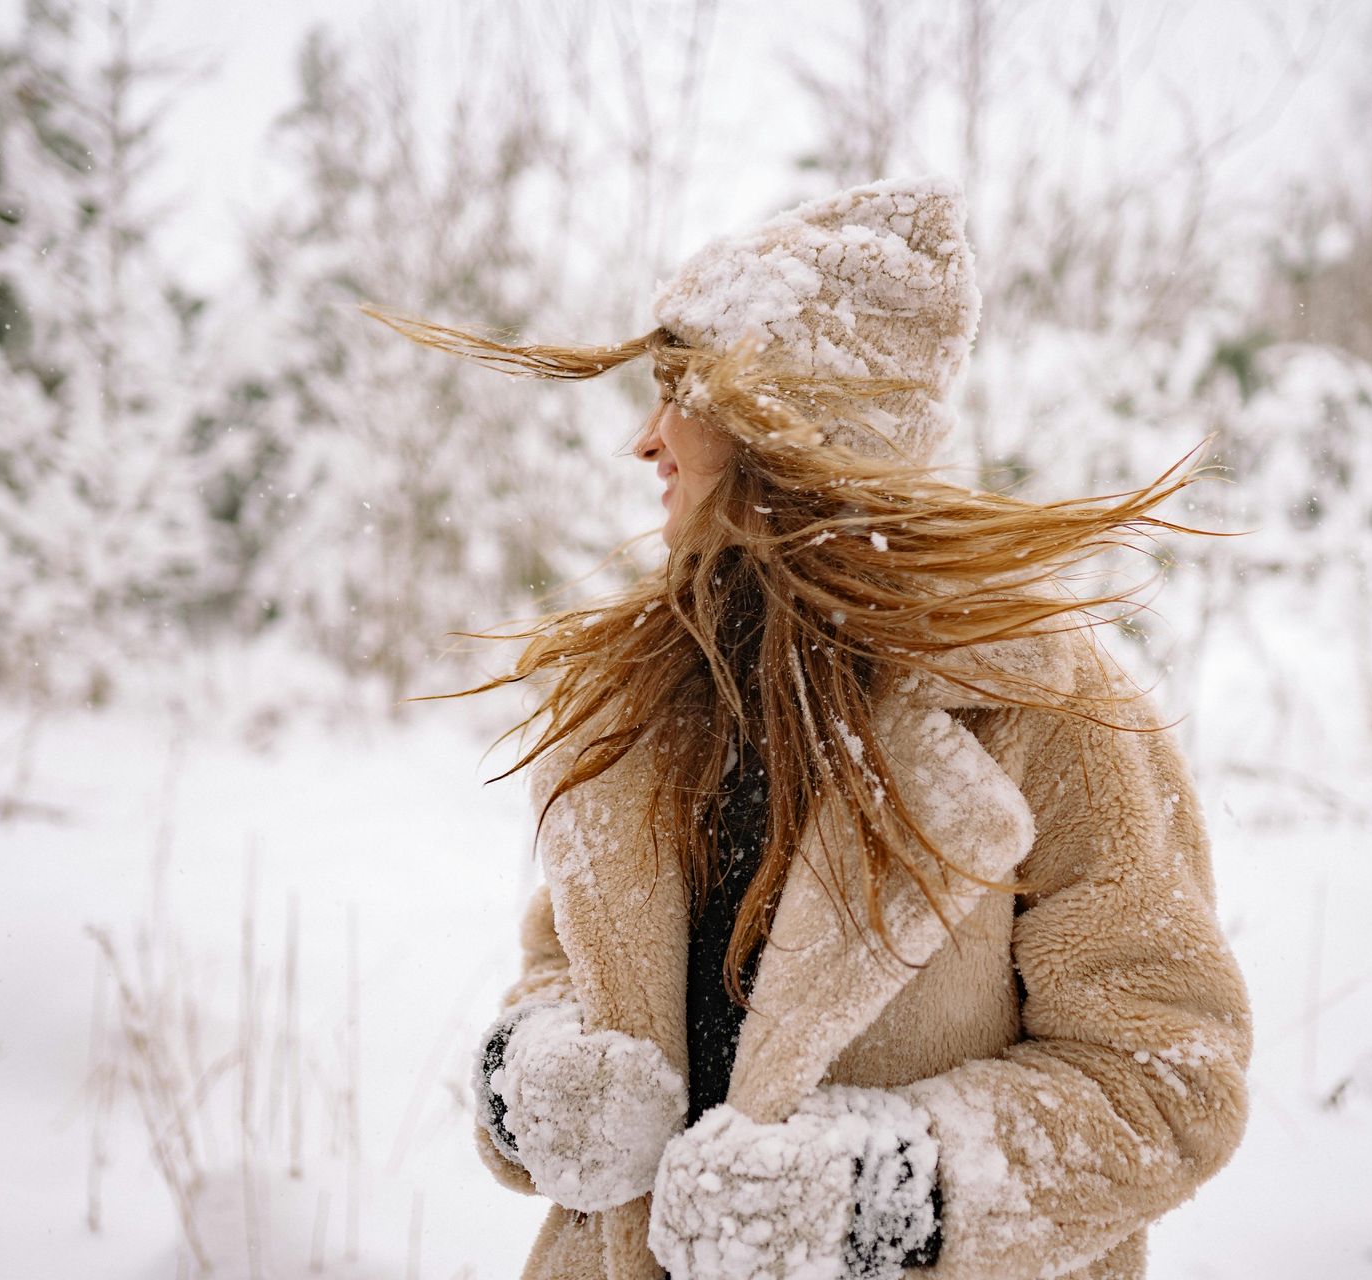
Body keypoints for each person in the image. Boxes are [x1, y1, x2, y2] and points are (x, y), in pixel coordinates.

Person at [364, 174, 1252, 1280]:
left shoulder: (1044, 710)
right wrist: (532, 1078)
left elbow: (1167, 1076)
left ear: (787, 420)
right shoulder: (649, 702)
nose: (647, 441)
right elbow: (558, 966)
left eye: (678, 391)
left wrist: (876, 1198)